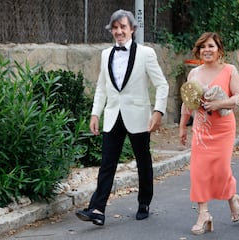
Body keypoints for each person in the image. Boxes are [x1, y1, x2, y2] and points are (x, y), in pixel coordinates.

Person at [75, 9, 169, 226]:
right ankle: (97, 209)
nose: (118, 32)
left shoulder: (146, 53)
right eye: (115, 28)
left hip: (138, 115)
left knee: (143, 161)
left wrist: (158, 111)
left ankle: (144, 202)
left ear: (132, 29)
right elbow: (102, 87)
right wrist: (95, 113)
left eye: (122, 27)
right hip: (112, 115)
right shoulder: (106, 54)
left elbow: (162, 84)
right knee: (107, 163)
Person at [179, 32, 239, 235]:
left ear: (219, 50)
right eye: (203, 47)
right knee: (199, 171)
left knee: (221, 170)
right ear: (199, 51)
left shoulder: (229, 70)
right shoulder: (194, 74)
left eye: (211, 46)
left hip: (224, 129)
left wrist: (219, 103)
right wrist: (182, 126)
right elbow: (187, 103)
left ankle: (232, 196)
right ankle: (203, 214)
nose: (207, 50)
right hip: (201, 129)